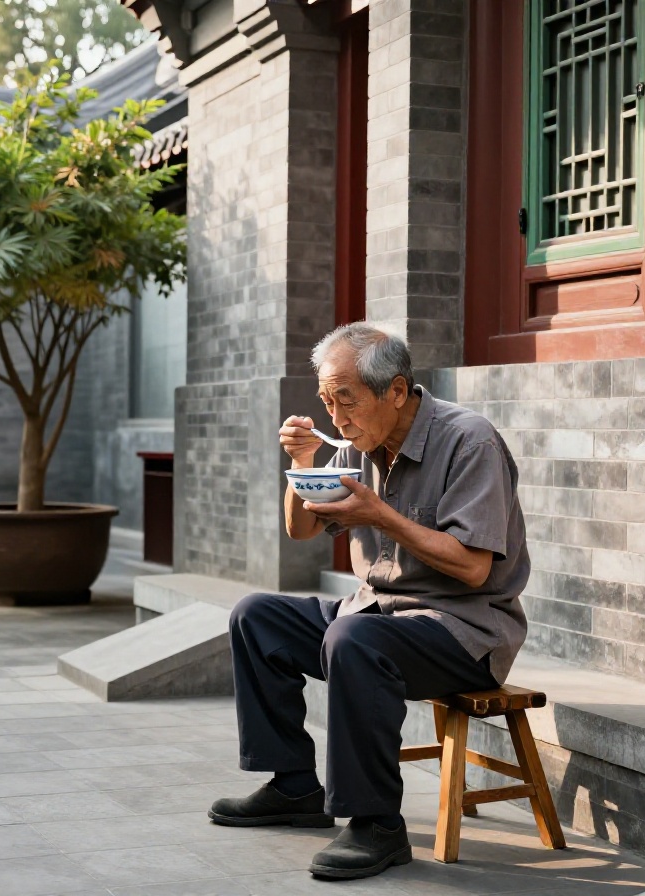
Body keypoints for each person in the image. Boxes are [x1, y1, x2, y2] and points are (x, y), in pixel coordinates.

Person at [207, 322, 530, 881]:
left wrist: (380, 515)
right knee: (257, 616)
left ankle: (376, 823)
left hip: (463, 629)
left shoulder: (468, 440)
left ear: (397, 391)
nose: (336, 416)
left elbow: (474, 567)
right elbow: (301, 531)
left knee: (353, 638)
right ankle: (293, 786)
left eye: (346, 400)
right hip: (377, 611)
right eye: (327, 401)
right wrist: (305, 463)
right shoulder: (354, 444)